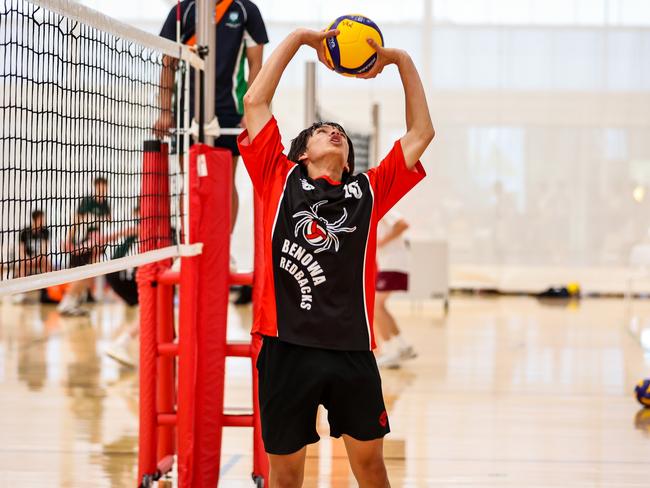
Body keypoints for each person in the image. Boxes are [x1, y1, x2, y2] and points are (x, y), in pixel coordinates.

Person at [238, 27, 434, 487]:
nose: (335, 133)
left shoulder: (367, 190)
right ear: (302, 152)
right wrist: (304, 38)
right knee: (285, 477)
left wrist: (399, 59)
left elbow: (422, 132)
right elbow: (255, 102)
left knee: (370, 468)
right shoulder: (275, 177)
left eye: (340, 134)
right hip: (285, 348)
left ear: (347, 160)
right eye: (324, 131)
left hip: (351, 351)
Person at [155, 0, 269, 237]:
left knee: (225, 183)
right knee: (190, 181)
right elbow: (167, 66)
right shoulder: (181, 12)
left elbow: (256, 66)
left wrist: (252, 113)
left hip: (229, 111)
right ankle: (190, 246)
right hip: (188, 111)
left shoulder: (246, 11)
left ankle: (222, 249)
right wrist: (165, 112)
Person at [58, 177, 112, 316]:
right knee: (80, 275)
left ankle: (74, 303)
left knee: (89, 276)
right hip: (80, 243)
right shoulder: (87, 201)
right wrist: (68, 239)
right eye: (100, 187)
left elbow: (108, 220)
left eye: (104, 187)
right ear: (95, 187)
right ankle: (65, 303)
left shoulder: (105, 204)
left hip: (94, 245)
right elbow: (75, 220)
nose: (102, 190)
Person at [374, 210, 417, 369]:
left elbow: (403, 224)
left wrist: (381, 242)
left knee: (376, 307)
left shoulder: (385, 208)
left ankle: (389, 352)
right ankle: (403, 346)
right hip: (390, 263)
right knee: (379, 307)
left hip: (393, 263)